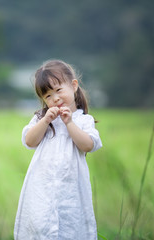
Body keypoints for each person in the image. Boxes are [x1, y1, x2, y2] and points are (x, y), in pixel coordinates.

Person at [14, 59, 103, 239]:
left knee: (70, 227)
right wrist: (46, 121)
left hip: (71, 190)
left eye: (59, 90)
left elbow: (88, 145)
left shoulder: (83, 120)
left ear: (74, 86)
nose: (55, 98)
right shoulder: (42, 118)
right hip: (42, 187)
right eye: (48, 96)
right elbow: (29, 141)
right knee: (41, 226)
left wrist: (69, 122)